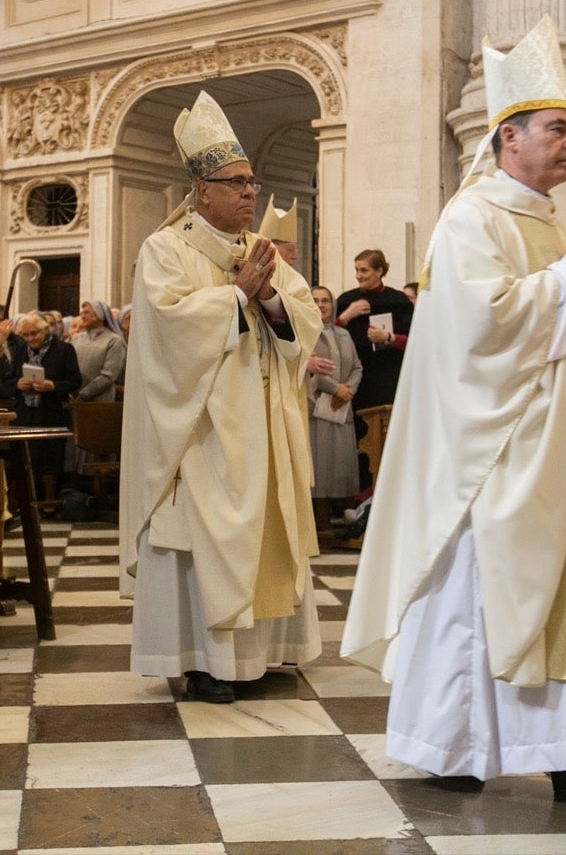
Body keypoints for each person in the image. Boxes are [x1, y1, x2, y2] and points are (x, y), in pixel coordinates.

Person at [341, 17, 566, 819]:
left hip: (554, 451)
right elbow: (482, 331)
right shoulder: (472, 219)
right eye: (558, 128)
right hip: (499, 460)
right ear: (509, 136)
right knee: (486, 599)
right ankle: (548, 758)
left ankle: (479, 747)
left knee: (518, 599)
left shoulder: (539, 218)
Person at [121, 89, 323, 705]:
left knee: (267, 529)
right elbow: (166, 331)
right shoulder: (166, 250)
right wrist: (236, 296)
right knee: (200, 534)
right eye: (235, 183)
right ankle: (203, 660)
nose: (249, 194)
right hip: (202, 434)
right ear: (202, 190)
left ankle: (265, 651)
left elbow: (303, 316)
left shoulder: (259, 252)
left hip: (262, 426)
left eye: (251, 183)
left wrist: (266, 297)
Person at [0, 311, 80, 505]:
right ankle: (26, 501)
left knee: (50, 456)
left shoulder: (64, 349)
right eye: (25, 335)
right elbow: (8, 380)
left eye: (34, 334)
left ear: (45, 330)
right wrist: (18, 384)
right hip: (25, 410)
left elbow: (75, 380)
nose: (30, 339)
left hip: (51, 410)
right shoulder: (20, 350)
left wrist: (53, 386)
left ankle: (50, 499)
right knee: (26, 455)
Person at [305, 285, 361, 532]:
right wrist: (334, 388)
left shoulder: (343, 334)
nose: (321, 305)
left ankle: (343, 518)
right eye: (315, 300)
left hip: (342, 407)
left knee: (341, 464)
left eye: (325, 300)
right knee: (321, 465)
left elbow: (357, 366)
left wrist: (348, 388)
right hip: (318, 407)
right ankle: (320, 521)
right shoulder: (304, 332)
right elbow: (306, 366)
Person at [333, 249, 415, 412]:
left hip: (388, 376)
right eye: (356, 270)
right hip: (354, 377)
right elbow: (327, 336)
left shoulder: (398, 300)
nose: (358, 275)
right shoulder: (346, 300)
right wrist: (346, 316)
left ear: (379, 271)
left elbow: (414, 341)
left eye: (364, 270)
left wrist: (388, 337)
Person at [71, 299, 126, 403]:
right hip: (73, 398)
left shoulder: (113, 340)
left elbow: (108, 375)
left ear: (99, 314)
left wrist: (84, 394)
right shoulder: (76, 338)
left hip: (100, 401)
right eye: (81, 313)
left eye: (86, 312)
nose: (82, 316)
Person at [257, 196, 300, 267]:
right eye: (290, 249)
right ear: (269, 246)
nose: (294, 256)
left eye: (295, 250)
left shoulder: (295, 278)